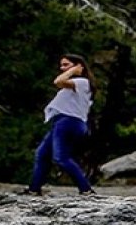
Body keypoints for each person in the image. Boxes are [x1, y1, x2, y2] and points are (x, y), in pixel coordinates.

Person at [26, 54, 97, 195]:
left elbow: (58, 81)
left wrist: (73, 71)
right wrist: (70, 70)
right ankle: (34, 188)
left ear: (79, 66)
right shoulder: (73, 85)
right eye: (62, 65)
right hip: (62, 122)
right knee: (42, 154)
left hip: (69, 121)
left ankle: (86, 189)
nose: (62, 68)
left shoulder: (82, 82)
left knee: (61, 158)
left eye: (66, 65)